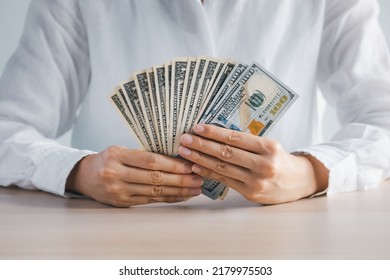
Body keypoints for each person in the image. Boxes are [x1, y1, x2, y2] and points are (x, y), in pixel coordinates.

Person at [1, 0, 390, 207]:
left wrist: (310, 174)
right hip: (112, 241)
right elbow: (7, 125)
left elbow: (382, 118)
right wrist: (79, 173)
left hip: (276, 238)